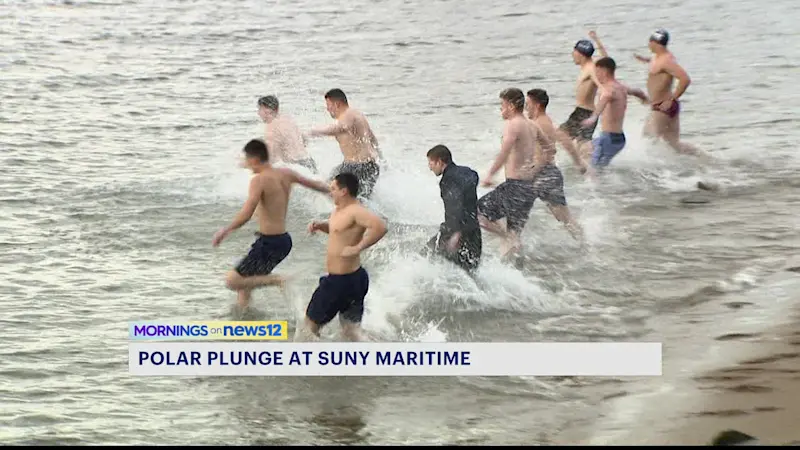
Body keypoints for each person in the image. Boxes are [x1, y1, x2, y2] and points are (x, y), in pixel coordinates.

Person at [212, 139, 330, 313]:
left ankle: (278, 280)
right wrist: (339, 194)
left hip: (269, 243)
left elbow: (247, 213)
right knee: (246, 284)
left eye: (247, 159)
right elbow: (317, 185)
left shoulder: (258, 181)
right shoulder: (286, 174)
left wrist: (226, 230)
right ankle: (245, 319)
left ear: (254, 159)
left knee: (233, 281)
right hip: (283, 241)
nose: (246, 164)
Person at [299, 173, 388, 341]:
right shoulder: (340, 210)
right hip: (353, 279)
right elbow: (338, 231)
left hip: (339, 282)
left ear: (344, 191)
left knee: (308, 329)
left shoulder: (356, 210)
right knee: (351, 333)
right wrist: (320, 226)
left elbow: (380, 227)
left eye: (333, 189)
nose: (330, 192)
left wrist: (357, 247)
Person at [478, 88, 547, 261]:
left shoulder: (512, 124)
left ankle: (509, 243)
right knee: (513, 234)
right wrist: (535, 168)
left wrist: (490, 174)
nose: (501, 109)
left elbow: (504, 152)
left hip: (515, 186)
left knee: (476, 213)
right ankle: (515, 271)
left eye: (502, 105)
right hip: (528, 187)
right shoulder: (532, 125)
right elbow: (550, 148)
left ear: (511, 105)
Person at [634, 29, 707, 158]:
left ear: (655, 43)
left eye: (650, 42)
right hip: (666, 106)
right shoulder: (659, 58)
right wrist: (646, 60)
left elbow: (685, 79)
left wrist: (671, 99)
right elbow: (657, 65)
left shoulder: (666, 61)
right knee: (673, 145)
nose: (648, 45)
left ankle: (652, 169)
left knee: (647, 138)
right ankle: (701, 156)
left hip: (662, 106)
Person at [523, 88, 585, 241]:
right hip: (545, 174)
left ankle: (585, 244)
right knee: (564, 218)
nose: (525, 108)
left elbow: (546, 155)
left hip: (544, 175)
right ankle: (585, 244)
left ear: (537, 105)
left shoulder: (540, 123)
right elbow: (564, 139)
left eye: (527, 104)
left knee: (564, 218)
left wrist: (530, 173)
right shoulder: (545, 122)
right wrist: (579, 162)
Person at [306, 89, 384, 199]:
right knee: (329, 187)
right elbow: (373, 139)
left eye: (328, 105)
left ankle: (352, 214)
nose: (327, 109)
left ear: (337, 104)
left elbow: (341, 127)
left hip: (358, 167)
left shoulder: (348, 114)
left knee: (336, 193)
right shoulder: (357, 115)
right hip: (367, 166)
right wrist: (381, 159)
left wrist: (314, 132)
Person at [579, 57, 649, 168]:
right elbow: (636, 91)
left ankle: (596, 184)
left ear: (603, 71)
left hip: (609, 138)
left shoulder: (609, 89)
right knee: (584, 149)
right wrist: (645, 99)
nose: (596, 75)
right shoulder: (621, 87)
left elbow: (606, 97)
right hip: (617, 138)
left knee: (594, 171)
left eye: (597, 72)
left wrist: (594, 117)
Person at [423, 144, 482, 273]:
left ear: (439, 161)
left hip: (456, 234)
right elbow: (474, 177)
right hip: (475, 232)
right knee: (470, 273)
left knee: (425, 256)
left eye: (430, 163)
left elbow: (454, 207)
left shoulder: (447, 180)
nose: (430, 167)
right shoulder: (467, 172)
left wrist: (456, 234)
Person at [556, 30, 610, 164]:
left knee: (558, 136)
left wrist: (603, 94)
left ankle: (550, 164)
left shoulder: (591, 68)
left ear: (581, 54)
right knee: (582, 146)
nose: (572, 56)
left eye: (574, 53)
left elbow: (603, 88)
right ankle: (591, 173)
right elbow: (607, 59)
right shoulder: (593, 65)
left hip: (583, 113)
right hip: (587, 113)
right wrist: (597, 40)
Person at [257, 96, 318, 173]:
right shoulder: (288, 119)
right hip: (309, 162)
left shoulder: (271, 127)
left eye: (260, 109)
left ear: (267, 110)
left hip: (296, 168)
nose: (258, 113)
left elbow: (271, 155)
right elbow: (304, 140)